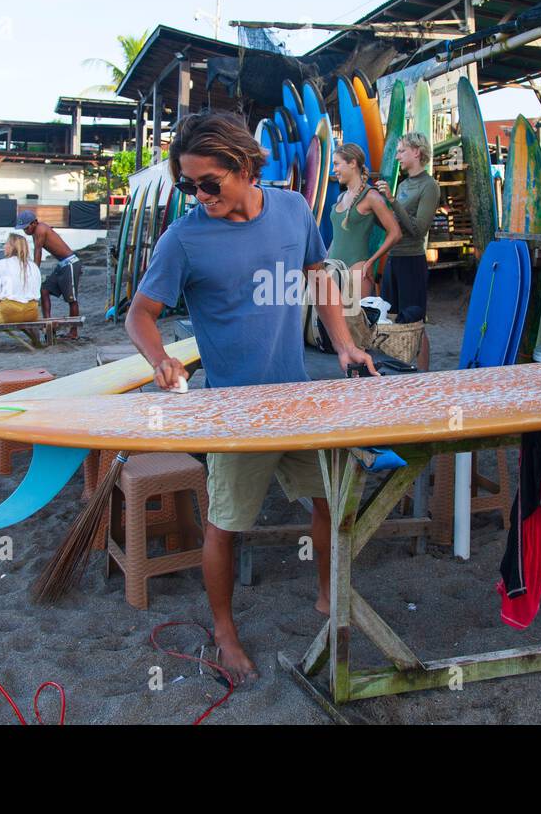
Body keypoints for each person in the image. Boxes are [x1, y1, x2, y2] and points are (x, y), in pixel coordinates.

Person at [126, 111, 376, 685]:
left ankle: (324, 595)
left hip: (296, 399)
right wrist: (160, 357)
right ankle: (224, 630)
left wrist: (343, 346)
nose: (198, 194)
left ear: (243, 167)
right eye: (188, 185)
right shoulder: (184, 238)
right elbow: (140, 313)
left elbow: (318, 276)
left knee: (329, 502)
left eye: (207, 182)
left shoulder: (291, 211)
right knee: (227, 524)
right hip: (232, 411)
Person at [372, 131, 439, 369]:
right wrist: (374, 207)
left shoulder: (429, 186)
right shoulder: (404, 184)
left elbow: (418, 229)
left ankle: (423, 374)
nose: (398, 155)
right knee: (393, 321)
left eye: (402, 151)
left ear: (417, 152)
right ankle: (401, 371)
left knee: (416, 323)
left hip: (412, 261)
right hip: (394, 259)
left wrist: (392, 201)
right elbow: (393, 225)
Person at [325, 142, 402, 298]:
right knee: (329, 322)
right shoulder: (341, 197)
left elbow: (396, 233)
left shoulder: (371, 196)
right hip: (332, 269)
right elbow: (338, 236)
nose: (334, 170)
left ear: (352, 163)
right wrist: (324, 261)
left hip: (357, 270)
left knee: (355, 322)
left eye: (336, 164)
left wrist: (370, 262)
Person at [16, 210, 82, 339]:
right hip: (63, 264)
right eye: (23, 229)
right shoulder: (36, 231)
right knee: (44, 290)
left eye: (26, 227)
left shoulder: (40, 229)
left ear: (34, 223)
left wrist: (34, 271)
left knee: (72, 299)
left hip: (70, 263)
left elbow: (38, 252)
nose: (25, 231)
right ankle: (48, 325)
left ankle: (74, 332)